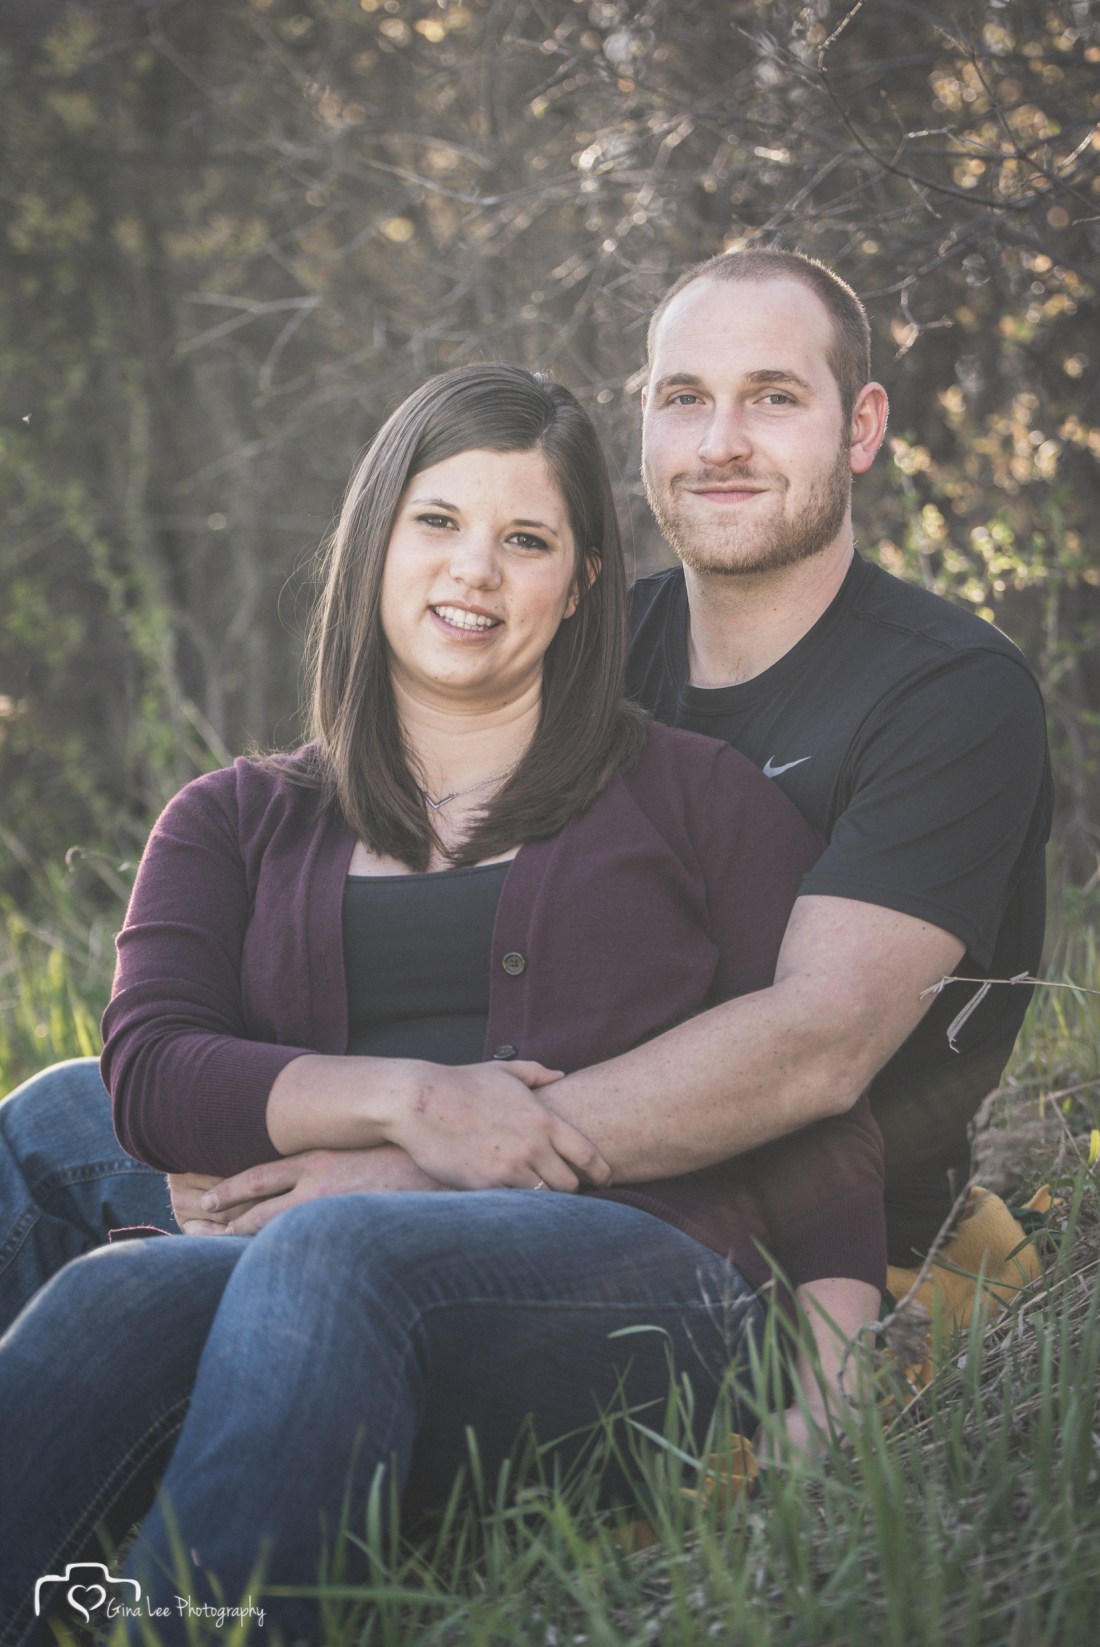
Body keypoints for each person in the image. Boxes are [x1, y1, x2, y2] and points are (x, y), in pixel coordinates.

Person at [0, 365, 884, 1643]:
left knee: (329, 1250)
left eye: (524, 539)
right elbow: (150, 1074)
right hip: (304, 1289)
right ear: (374, 541)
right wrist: (413, 1103)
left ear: (579, 584)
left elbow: (813, 1110)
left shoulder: (698, 797)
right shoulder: (233, 818)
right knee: (111, 1295)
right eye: (438, 521)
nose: (473, 569)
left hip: (642, 1289)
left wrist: (829, 1385)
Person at [0, 245, 1050, 1293]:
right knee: (52, 1126)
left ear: (860, 426)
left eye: (773, 398)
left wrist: (412, 1165)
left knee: (315, 1257)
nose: (719, 442)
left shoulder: (946, 691)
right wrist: (314, 1114)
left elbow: (818, 1046)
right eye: (684, 398)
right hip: (484, 1139)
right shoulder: (579, 641)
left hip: (788, 1219)